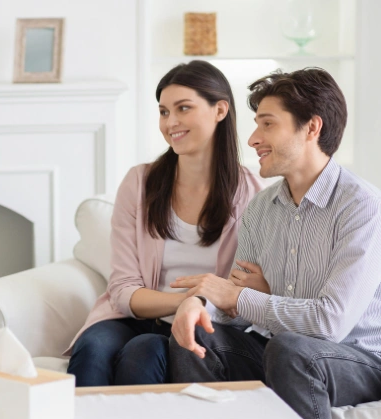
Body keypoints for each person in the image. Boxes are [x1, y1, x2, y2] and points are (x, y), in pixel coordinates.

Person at [166, 67, 381, 419]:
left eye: (267, 124)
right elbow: (234, 302)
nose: (253, 139)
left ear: (311, 128)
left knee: (291, 349)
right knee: (198, 335)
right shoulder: (261, 208)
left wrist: (242, 297)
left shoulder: (364, 209)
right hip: (286, 351)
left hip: (368, 362)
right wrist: (198, 305)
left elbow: (330, 323)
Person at [64, 61, 262, 387]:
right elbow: (123, 290)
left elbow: (239, 294)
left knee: (142, 353)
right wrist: (186, 301)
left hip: (203, 326)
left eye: (183, 108)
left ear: (220, 110)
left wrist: (197, 309)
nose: (171, 123)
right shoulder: (140, 182)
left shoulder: (253, 194)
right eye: (164, 112)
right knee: (93, 349)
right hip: (133, 317)